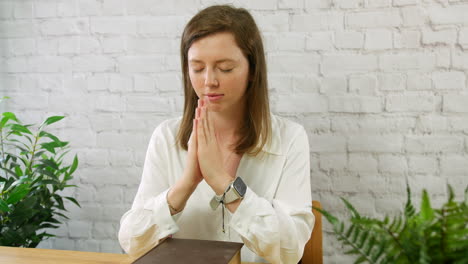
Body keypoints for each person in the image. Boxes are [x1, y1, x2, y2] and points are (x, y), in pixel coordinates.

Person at [118, 5, 314, 264]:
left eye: (225, 68)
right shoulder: (166, 137)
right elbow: (132, 241)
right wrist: (185, 185)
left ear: (252, 69)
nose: (209, 81)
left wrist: (224, 184)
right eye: (198, 68)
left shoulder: (290, 138)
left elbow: (290, 250)